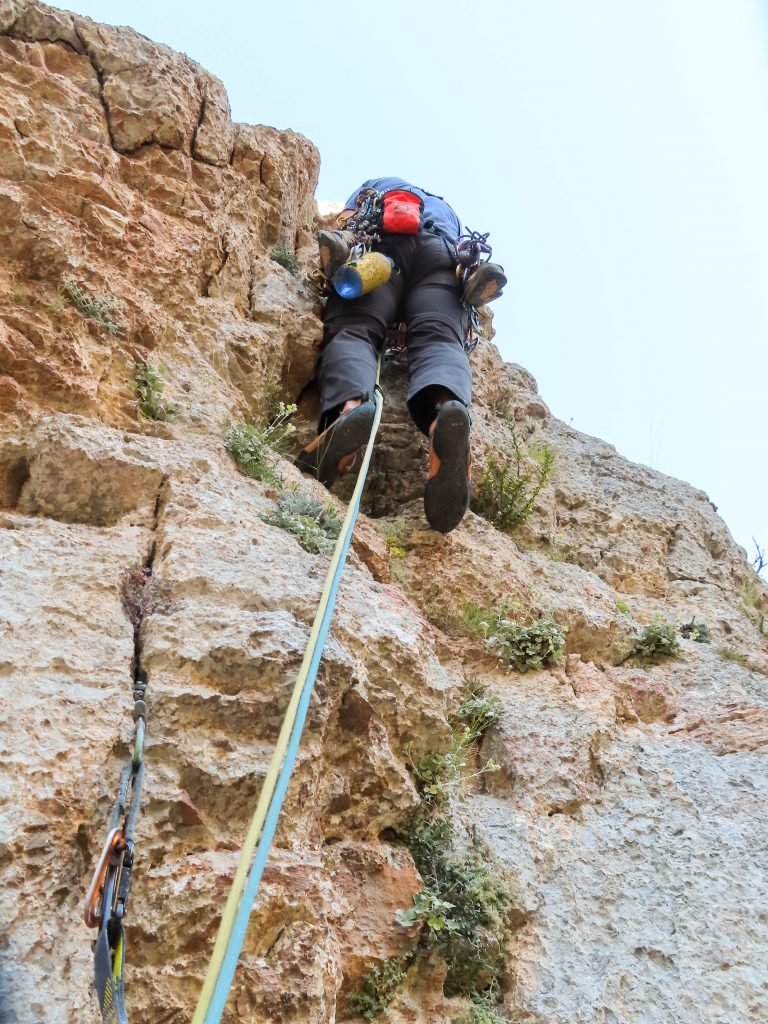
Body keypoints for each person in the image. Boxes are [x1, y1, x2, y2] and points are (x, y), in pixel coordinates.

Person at [295, 176, 505, 534]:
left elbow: (346, 220)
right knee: (440, 339)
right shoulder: (446, 212)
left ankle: (350, 407)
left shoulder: (376, 186)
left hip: (382, 251)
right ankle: (445, 411)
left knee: (355, 328)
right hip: (443, 259)